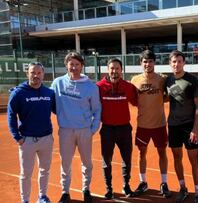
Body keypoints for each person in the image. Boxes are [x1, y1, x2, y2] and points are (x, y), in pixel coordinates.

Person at [51, 52, 101, 203]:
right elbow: (50, 102)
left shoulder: (91, 86)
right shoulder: (57, 83)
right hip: (65, 131)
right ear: (66, 65)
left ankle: (86, 190)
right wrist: (62, 114)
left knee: (87, 163)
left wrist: (93, 129)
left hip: (85, 131)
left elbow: (97, 109)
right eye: (71, 64)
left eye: (77, 64)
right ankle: (65, 192)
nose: (74, 67)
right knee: (65, 163)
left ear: (82, 66)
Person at [7, 62, 55, 203]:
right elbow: (11, 115)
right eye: (33, 72)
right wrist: (17, 137)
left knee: (44, 171)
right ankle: (25, 200)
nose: (36, 75)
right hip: (27, 140)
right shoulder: (18, 93)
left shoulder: (49, 93)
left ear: (43, 74)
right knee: (26, 174)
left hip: (46, 138)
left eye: (39, 73)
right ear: (27, 73)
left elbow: (58, 110)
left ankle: (42, 196)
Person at [131, 50, 171, 198]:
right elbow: (133, 99)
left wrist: (158, 101)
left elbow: (168, 96)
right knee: (141, 153)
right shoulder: (134, 80)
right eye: (145, 61)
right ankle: (143, 182)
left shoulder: (163, 79)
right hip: (142, 125)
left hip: (159, 124)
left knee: (162, 153)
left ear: (155, 62)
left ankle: (164, 183)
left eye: (150, 61)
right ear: (141, 63)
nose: (148, 64)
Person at [96, 58, 138, 199]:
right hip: (107, 129)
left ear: (121, 70)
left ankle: (126, 185)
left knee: (127, 159)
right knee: (106, 160)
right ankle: (109, 188)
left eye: (117, 68)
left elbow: (138, 102)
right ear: (108, 70)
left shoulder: (128, 86)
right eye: (112, 68)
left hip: (125, 129)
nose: (114, 71)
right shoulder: (99, 87)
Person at [165, 50, 198, 203]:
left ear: (183, 63)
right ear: (170, 63)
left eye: (179, 61)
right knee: (177, 158)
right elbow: (164, 98)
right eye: (174, 61)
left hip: (189, 126)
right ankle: (183, 188)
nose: (176, 64)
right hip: (173, 126)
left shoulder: (192, 80)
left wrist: (195, 129)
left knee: (194, 159)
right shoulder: (167, 81)